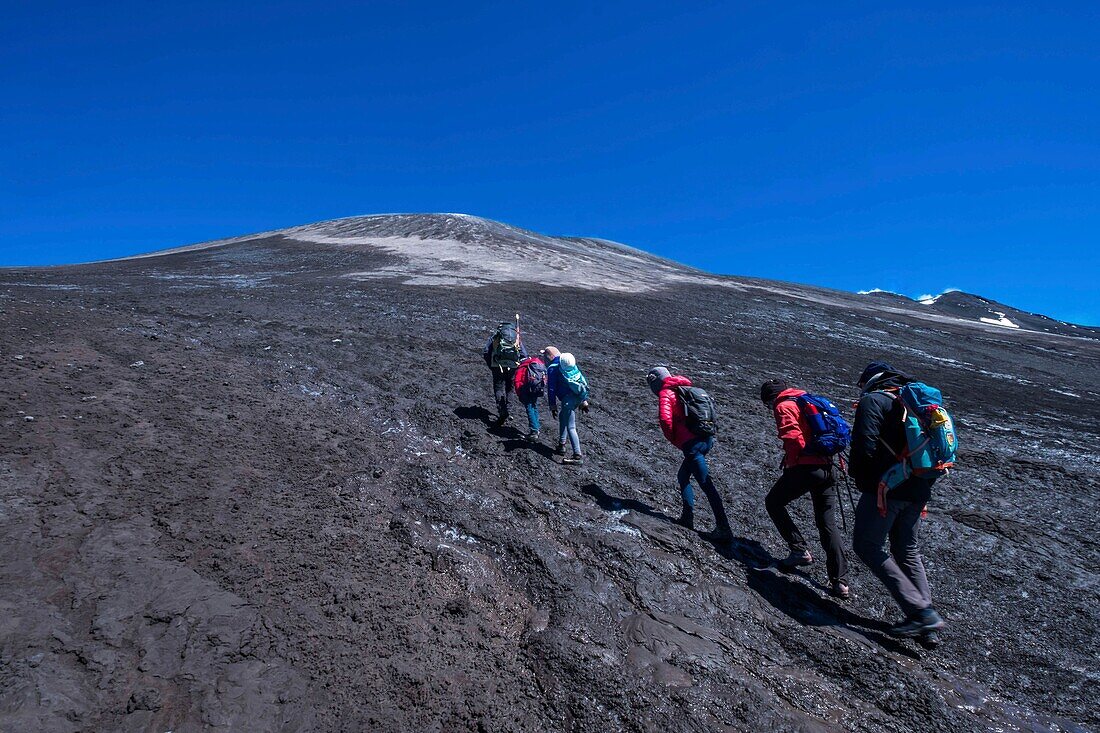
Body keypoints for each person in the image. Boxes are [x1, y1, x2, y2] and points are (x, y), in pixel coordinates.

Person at [849, 361, 945, 638]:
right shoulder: (917, 404)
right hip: (920, 486)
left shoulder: (874, 401)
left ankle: (922, 614)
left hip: (887, 488)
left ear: (870, 381)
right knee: (907, 549)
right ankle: (927, 624)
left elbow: (864, 444)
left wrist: (862, 480)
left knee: (868, 545)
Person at [759, 380, 850, 599]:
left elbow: (793, 438)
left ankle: (799, 550)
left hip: (807, 468)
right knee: (827, 522)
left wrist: (793, 462)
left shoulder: (783, 406)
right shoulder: (806, 400)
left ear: (771, 398)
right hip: (829, 467)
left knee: (773, 502)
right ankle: (840, 582)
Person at [647, 367, 732, 543]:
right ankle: (687, 517)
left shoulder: (666, 394)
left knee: (706, 484)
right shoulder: (683, 389)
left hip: (692, 444)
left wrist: (675, 439)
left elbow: (665, 419)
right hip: (705, 439)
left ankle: (723, 527)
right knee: (683, 476)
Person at [547, 350, 588, 465]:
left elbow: (551, 389)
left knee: (571, 427)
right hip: (577, 398)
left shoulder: (554, 369)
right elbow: (582, 382)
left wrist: (552, 405)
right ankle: (561, 444)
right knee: (563, 417)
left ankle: (577, 455)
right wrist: (584, 400)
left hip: (567, 401)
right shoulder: (573, 368)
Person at [483, 321, 527, 426]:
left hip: (497, 366)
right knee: (510, 388)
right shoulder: (516, 338)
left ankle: (502, 410)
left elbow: (485, 352)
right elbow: (524, 354)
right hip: (512, 367)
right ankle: (509, 411)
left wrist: (491, 365)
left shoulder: (496, 337)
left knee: (498, 388)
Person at [513, 352, 548, 442]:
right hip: (536, 388)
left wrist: (519, 394)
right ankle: (537, 428)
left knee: (529, 408)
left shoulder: (522, 366)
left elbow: (517, 381)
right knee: (534, 406)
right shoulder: (536, 363)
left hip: (526, 390)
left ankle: (534, 431)